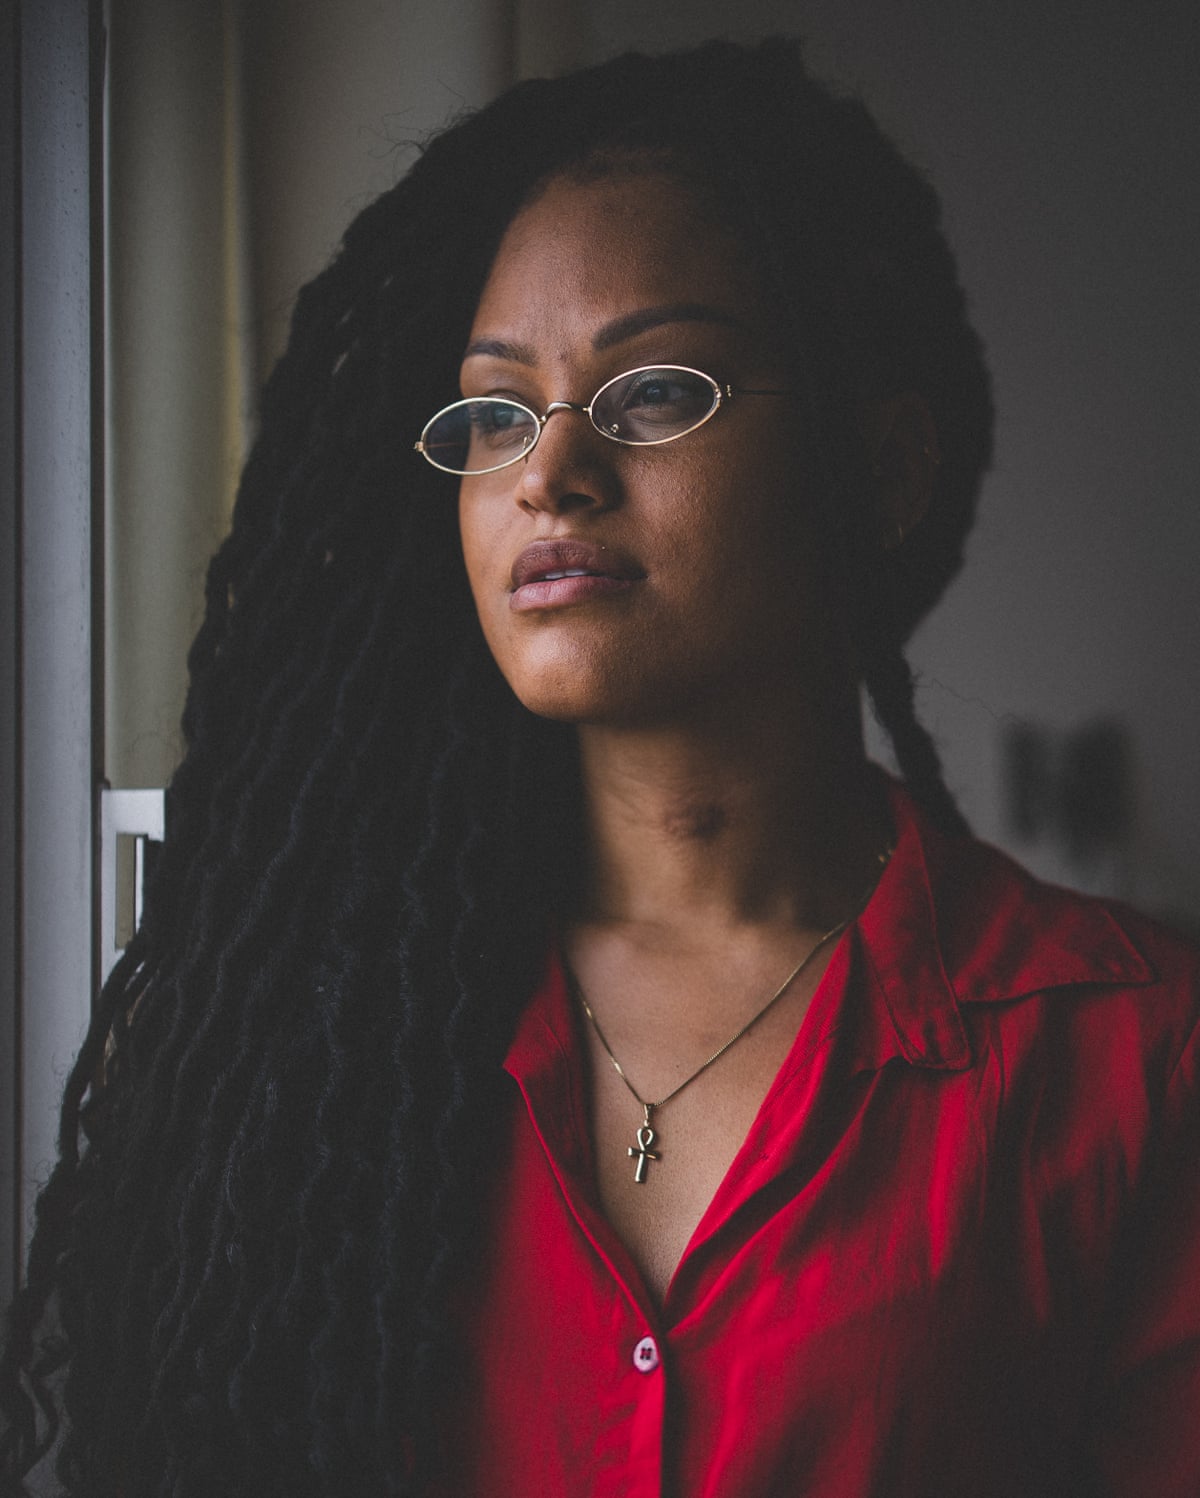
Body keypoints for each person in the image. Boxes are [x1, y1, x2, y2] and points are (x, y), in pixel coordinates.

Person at [2, 35, 1198, 1498]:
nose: (545, 472)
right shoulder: (318, 1030)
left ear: (881, 471)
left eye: (651, 392)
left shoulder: (1128, 1057)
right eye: (496, 410)